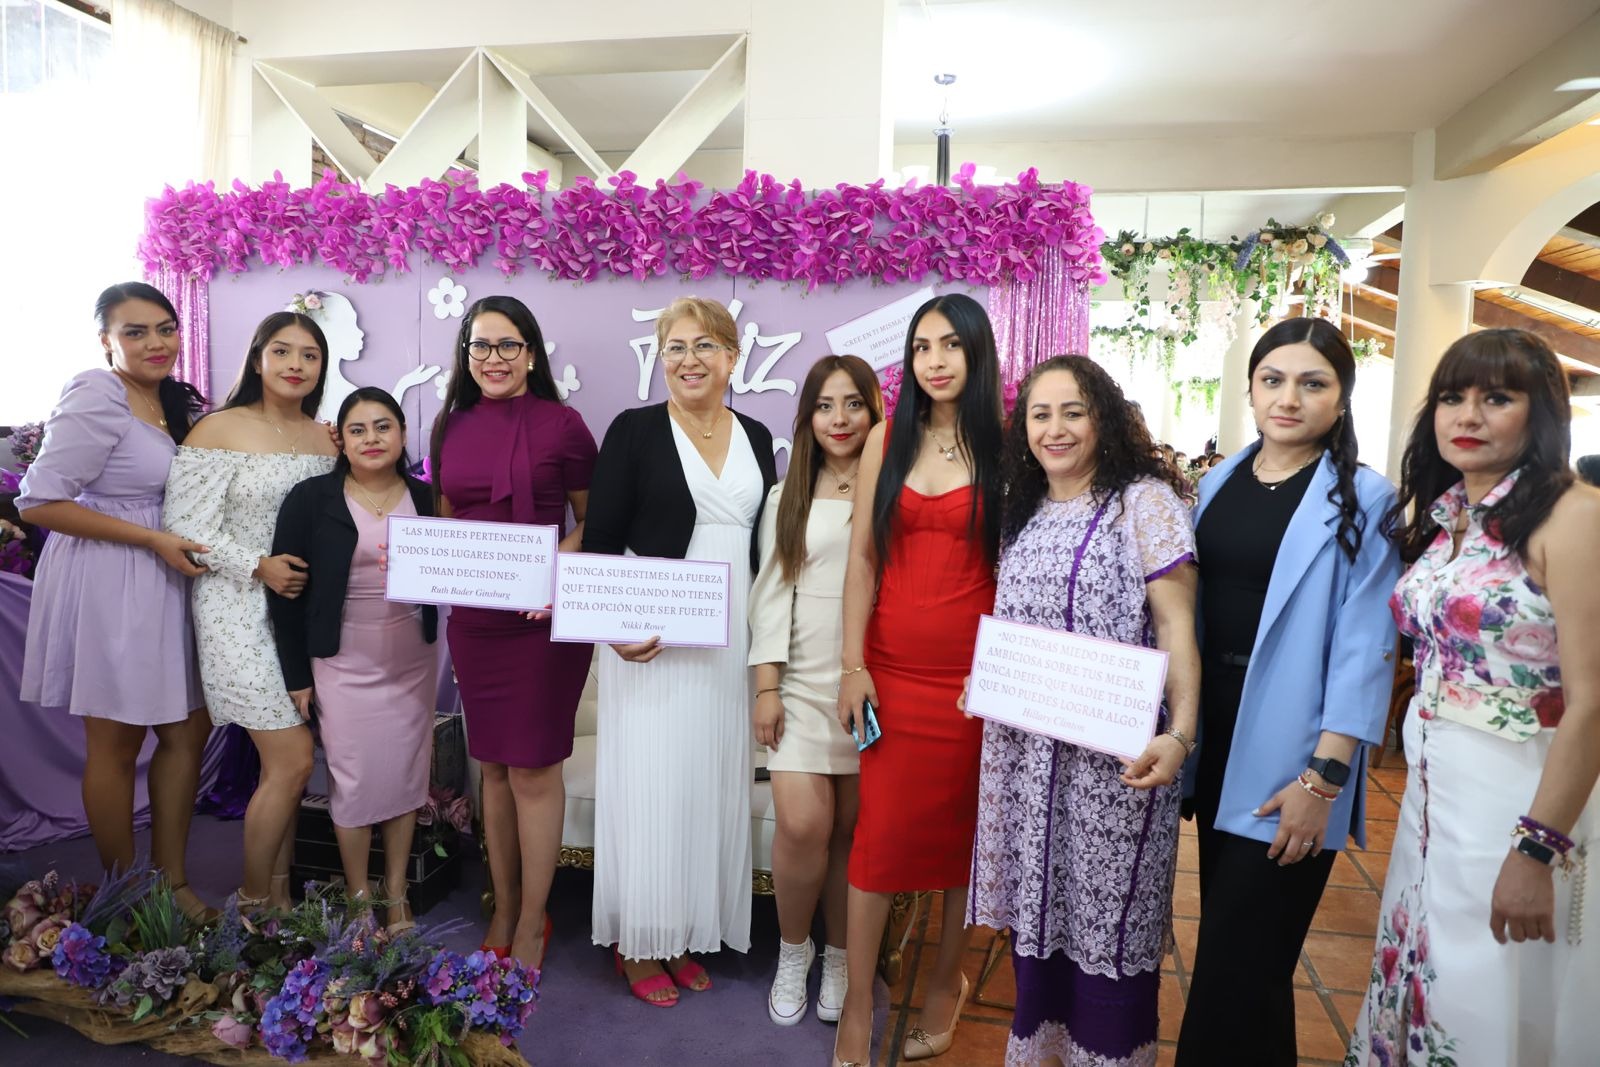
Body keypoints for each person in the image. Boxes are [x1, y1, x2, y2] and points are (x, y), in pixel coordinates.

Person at [1345, 329, 1600, 1067]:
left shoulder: (1574, 515)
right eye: (1453, 396)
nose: (1468, 415)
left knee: (1495, 983)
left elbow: (1592, 700)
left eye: (1497, 398)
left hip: (1521, 794)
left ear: (1541, 411)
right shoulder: (1453, 515)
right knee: (1431, 965)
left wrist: (1536, 847)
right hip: (1435, 797)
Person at [1176, 318, 1401, 1067]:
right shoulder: (1217, 482)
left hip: (1293, 756)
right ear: (1250, 388)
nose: (1289, 398)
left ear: (1342, 398)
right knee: (1252, 969)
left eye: (1313, 383)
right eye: (1273, 379)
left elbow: (1366, 649)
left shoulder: (1366, 500)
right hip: (1217, 739)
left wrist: (1324, 777)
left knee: (1233, 969)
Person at [967, 355, 1201, 1067]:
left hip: (1114, 767)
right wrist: (988, 680)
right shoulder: (1025, 509)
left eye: (1074, 411)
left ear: (1104, 418)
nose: (1056, 429)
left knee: (1107, 931)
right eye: (1040, 414)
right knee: (1041, 922)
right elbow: (1018, 629)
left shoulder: (1144, 502)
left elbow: (1177, 626)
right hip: (1030, 762)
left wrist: (1181, 733)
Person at [584, 296, 777, 1006]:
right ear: (659, 358)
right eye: (675, 347)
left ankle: (686, 930)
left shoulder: (757, 435)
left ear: (732, 356)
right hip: (651, 643)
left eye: (704, 346)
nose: (689, 360)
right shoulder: (633, 430)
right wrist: (611, 627)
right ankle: (640, 940)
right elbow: (601, 541)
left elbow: (763, 548)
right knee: (652, 785)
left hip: (729, 646)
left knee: (706, 786)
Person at [834, 292, 1003, 1065]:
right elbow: (861, 562)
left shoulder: (1006, 445)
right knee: (879, 840)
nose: (934, 361)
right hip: (892, 677)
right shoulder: (885, 439)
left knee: (962, 842)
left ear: (976, 352)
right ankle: (858, 1001)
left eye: (950, 345)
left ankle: (945, 979)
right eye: (921, 346)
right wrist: (852, 665)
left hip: (975, 685)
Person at [18, 282, 212, 919]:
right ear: (106, 342)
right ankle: (124, 897)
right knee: (117, 742)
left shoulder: (171, 400)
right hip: (111, 578)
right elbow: (39, 502)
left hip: (166, 575)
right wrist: (150, 538)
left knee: (187, 730)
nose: (156, 343)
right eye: (135, 332)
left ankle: (173, 885)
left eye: (166, 328)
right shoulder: (95, 393)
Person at [429, 295, 597, 970]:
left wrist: (556, 566)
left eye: (507, 345)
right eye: (480, 346)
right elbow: (447, 519)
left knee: (532, 768)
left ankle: (533, 918)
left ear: (530, 353)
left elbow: (594, 519)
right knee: (492, 767)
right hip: (475, 621)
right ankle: (501, 903)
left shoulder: (564, 424)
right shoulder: (449, 424)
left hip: (543, 620)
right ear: (465, 355)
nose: (493, 358)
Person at [163, 310, 337, 912]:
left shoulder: (325, 438)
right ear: (258, 358)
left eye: (310, 355)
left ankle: (281, 898)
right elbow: (184, 532)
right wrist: (257, 565)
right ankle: (255, 901)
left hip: (302, 616)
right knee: (292, 759)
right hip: (235, 609)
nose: (296, 365)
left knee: (283, 768)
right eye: (282, 351)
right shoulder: (217, 429)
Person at [268, 387, 438, 933]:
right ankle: (360, 897)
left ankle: (396, 894)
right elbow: (284, 594)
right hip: (341, 661)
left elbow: (454, 571)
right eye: (358, 430)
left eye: (383, 426)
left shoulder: (429, 497)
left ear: (403, 434)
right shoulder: (311, 498)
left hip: (412, 659)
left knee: (407, 776)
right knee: (354, 780)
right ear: (340, 440)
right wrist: (297, 675)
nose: (372, 439)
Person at [748, 354, 883, 1026]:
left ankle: (839, 955)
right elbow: (771, 594)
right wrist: (766, 686)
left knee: (851, 834)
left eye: (853, 403)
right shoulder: (787, 494)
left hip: (872, 686)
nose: (839, 418)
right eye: (825, 405)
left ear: (874, 410)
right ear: (807, 417)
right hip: (801, 686)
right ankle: (792, 950)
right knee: (804, 825)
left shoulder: (894, 488)